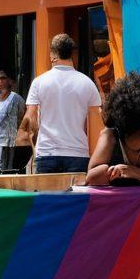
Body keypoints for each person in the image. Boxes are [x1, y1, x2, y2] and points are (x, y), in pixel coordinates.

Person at [23, 34, 103, 174]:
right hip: (78, 154)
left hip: (47, 153)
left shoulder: (39, 82)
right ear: (72, 54)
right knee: (76, 196)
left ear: (52, 55)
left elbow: (30, 119)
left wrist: (32, 146)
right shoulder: (88, 83)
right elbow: (96, 126)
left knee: (47, 197)